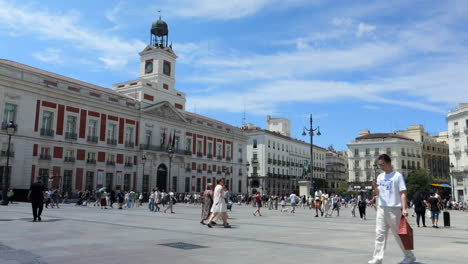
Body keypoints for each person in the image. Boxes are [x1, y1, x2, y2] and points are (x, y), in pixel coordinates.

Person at [368, 154, 416, 264]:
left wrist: (404, 208)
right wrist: (375, 188)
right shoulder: (380, 177)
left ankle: (409, 256)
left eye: (382, 164)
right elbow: (379, 193)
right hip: (382, 208)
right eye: (379, 165)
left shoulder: (397, 176)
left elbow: (403, 193)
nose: (380, 166)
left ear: (389, 163)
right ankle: (377, 258)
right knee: (379, 234)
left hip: (394, 208)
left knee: (399, 234)